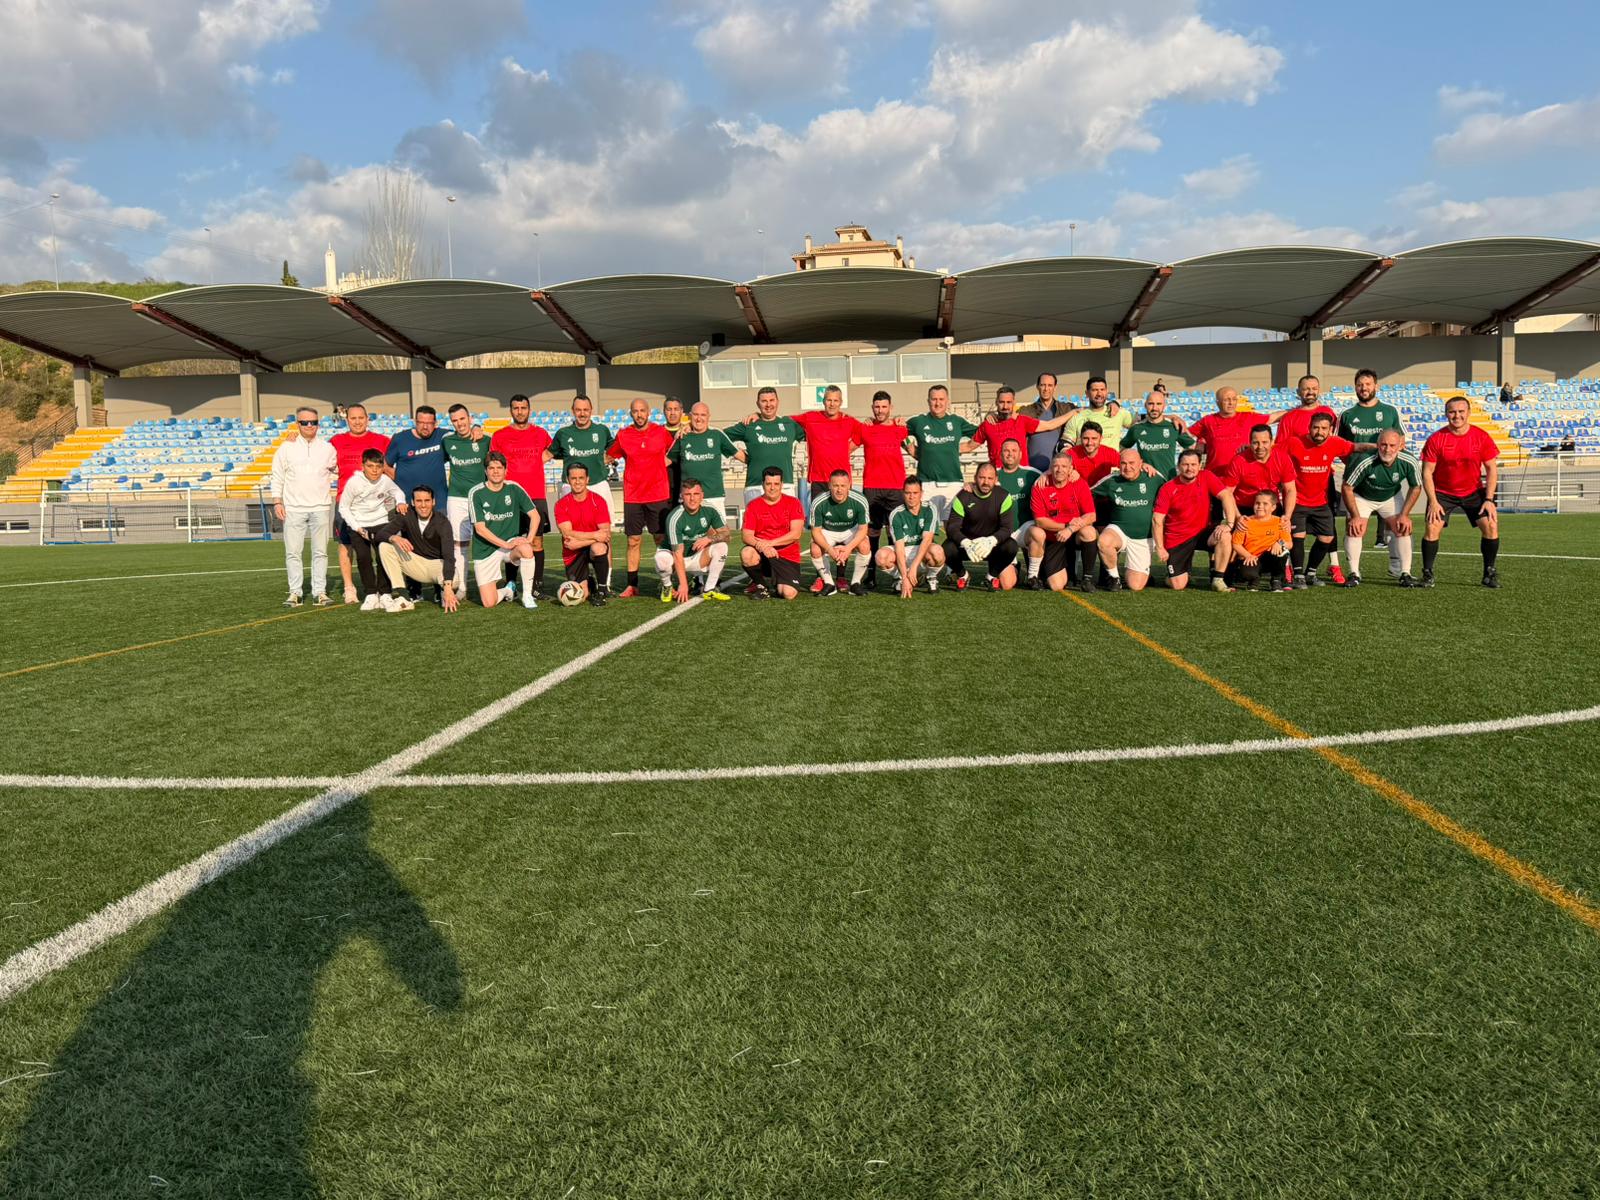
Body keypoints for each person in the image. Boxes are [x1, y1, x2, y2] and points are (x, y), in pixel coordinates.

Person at [1420, 396, 1502, 588]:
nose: (1456, 415)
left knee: (1490, 525)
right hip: (1442, 493)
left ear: (1468, 413)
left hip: (1473, 492)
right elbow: (1427, 472)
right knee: (1432, 528)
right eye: (1452, 412)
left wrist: (1489, 499)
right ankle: (1427, 574)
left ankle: (1489, 573)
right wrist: (1433, 501)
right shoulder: (1436, 439)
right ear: (1446, 414)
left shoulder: (1481, 437)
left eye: (1460, 411)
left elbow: (1491, 469)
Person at [606, 397, 676, 597]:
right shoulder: (623, 435)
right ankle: (632, 585)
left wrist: (658, 468)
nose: (639, 414)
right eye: (635, 411)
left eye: (642, 410)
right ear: (631, 414)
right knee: (633, 541)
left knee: (660, 539)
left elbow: (675, 452)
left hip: (657, 494)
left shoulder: (661, 432)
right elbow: (609, 456)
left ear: (649, 412)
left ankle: (667, 581)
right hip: (633, 496)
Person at [269, 405, 338, 607]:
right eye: (304, 422)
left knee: (321, 552)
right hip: (293, 508)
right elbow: (277, 476)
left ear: (318, 424)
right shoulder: (286, 447)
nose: (309, 426)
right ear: (297, 424)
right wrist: (277, 501)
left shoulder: (327, 448)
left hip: (321, 507)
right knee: (293, 552)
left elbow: (337, 470)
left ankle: (320, 592)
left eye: (313, 422)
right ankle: (295, 593)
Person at [1338, 367, 1404, 573]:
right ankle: (1353, 572)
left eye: (1367, 384)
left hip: (1387, 480)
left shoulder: (1390, 411)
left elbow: (1401, 440)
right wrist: (1355, 463)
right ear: (1355, 387)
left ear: (1376, 386)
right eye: (1359, 384)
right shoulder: (1347, 415)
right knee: (1354, 525)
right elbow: (1339, 445)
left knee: (1397, 525)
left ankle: (1395, 564)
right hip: (1357, 484)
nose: (1363, 388)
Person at [490, 394, 555, 598]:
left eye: (523, 408)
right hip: (510, 496)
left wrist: (537, 463)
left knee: (537, 543)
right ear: (511, 411)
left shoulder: (540, 433)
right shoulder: (500, 436)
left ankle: (537, 586)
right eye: (516, 408)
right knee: (512, 541)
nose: (520, 411)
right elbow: (493, 463)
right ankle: (511, 585)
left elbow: (553, 450)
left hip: (536, 496)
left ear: (529, 410)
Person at [1282, 412, 1356, 589]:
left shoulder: (1335, 443)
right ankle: (1298, 575)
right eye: (1316, 427)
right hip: (1297, 500)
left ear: (1330, 430)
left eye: (1324, 428)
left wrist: (1380, 446)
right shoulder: (1294, 442)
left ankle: (1310, 573)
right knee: (1297, 536)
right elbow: (1272, 449)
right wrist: (1246, 448)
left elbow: (1356, 447)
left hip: (1321, 502)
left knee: (1327, 537)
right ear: (1309, 428)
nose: (1319, 431)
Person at [1341, 428, 1422, 588]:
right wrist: (1355, 516)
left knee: (1402, 527)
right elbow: (1347, 487)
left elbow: (1416, 487)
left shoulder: (1409, 461)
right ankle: (1354, 573)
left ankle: (1405, 573)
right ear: (1377, 445)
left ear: (1400, 446)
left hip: (1390, 497)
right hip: (1362, 497)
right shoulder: (1364, 460)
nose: (1387, 449)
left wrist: (1405, 515)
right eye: (1383, 445)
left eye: (1392, 445)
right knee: (1356, 528)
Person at [328, 402, 389, 605]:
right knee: (346, 545)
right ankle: (349, 588)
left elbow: (392, 467)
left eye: (361, 418)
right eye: (353, 418)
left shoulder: (382, 441)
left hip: (376, 505)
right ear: (347, 420)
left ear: (367, 419)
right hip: (346, 503)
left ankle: (383, 587)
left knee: (380, 546)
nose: (357, 421)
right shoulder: (336, 441)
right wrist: (294, 439)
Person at [1153, 449, 1236, 591]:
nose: (1189, 468)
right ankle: (1176, 574)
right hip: (1178, 538)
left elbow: (1226, 496)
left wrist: (1229, 523)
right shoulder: (1168, 488)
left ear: (1200, 465)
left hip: (1202, 532)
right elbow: (1157, 520)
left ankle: (1218, 579)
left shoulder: (1206, 476)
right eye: (1185, 464)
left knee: (1225, 535)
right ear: (1178, 466)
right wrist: (1160, 547)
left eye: (1193, 464)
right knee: (1178, 585)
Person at [467, 451, 540, 610]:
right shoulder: (476, 492)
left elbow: (535, 516)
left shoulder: (514, 488)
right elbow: (480, 529)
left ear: (506, 470)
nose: (495, 471)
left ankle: (527, 595)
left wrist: (528, 538)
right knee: (489, 603)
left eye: (499, 467)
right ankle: (508, 590)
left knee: (527, 549)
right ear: (485, 471)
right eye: (491, 468)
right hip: (485, 549)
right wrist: (505, 545)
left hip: (510, 544)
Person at [337, 449, 408, 610]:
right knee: (363, 557)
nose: (374, 470)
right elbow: (344, 508)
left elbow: (398, 492)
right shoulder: (354, 482)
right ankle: (370, 593)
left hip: (381, 522)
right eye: (370, 466)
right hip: (358, 524)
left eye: (378, 466)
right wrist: (357, 528)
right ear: (363, 466)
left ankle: (385, 593)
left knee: (384, 555)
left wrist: (400, 502)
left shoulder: (385, 480)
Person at [857, 389, 911, 589]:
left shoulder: (900, 428)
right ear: (872, 408)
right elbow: (848, 446)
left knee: (894, 531)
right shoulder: (865, 428)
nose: (880, 410)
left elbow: (912, 447)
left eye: (884, 407)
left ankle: (898, 574)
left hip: (896, 487)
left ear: (891, 408)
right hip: (872, 487)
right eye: (877, 407)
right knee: (872, 531)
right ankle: (870, 574)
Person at [377, 484, 461, 613]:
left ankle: (443, 590)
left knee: (454, 580)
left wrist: (448, 587)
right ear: (412, 502)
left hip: (436, 566)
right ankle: (404, 597)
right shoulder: (406, 515)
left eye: (427, 500)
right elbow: (380, 535)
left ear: (433, 502)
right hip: (415, 564)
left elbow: (449, 556)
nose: (423, 505)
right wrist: (394, 537)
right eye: (419, 501)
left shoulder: (442, 522)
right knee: (384, 546)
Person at [904, 384, 980, 521]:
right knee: (924, 526)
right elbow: (897, 432)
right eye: (934, 399)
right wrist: (909, 447)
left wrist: (966, 447)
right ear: (928, 401)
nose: (937, 403)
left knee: (953, 527)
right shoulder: (918, 421)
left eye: (941, 399)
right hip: (926, 483)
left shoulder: (957, 422)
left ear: (948, 401)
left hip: (953, 483)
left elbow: (982, 433)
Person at [1025, 452, 1096, 591]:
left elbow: (1091, 516)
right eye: (1056, 466)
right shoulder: (1040, 486)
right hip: (1054, 537)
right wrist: (1065, 526)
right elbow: (1039, 521)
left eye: (1064, 466)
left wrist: (1070, 529)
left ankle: (1087, 579)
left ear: (1071, 469)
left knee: (1089, 531)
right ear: (1050, 468)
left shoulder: (1080, 484)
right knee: (1056, 586)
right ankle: (1050, 571)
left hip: (1073, 534)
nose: (1060, 470)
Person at [442, 403, 492, 599]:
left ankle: (487, 583)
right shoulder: (447, 442)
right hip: (456, 498)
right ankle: (462, 586)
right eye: (455, 420)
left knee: (485, 541)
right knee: (459, 544)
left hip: (480, 497)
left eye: (462, 419)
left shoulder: (486, 440)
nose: (459, 423)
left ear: (470, 418)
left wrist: (478, 427)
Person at [725, 386, 806, 507]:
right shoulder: (749, 424)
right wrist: (737, 454)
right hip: (755, 486)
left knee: (785, 525)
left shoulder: (789, 424)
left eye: (772, 400)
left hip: (785, 486)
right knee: (755, 526)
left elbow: (814, 435)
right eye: (764, 401)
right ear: (758, 403)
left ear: (778, 402)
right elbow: (720, 437)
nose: (768, 405)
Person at [1093, 448, 1160, 592]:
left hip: (1143, 537)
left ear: (1141, 463)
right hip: (1119, 530)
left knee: (1135, 586)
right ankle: (1114, 578)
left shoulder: (1154, 478)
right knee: (1104, 541)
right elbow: (1085, 493)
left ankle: (1135, 573)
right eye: (1123, 463)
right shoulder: (1111, 481)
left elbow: (1172, 492)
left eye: (1132, 463)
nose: (1127, 467)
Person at [946, 462, 1020, 591]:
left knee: (1011, 546)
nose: (986, 482)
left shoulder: (1004, 496)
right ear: (975, 478)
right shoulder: (962, 496)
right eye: (982, 477)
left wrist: (990, 541)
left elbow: (1007, 528)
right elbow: (952, 527)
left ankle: (991, 576)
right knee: (947, 548)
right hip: (968, 546)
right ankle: (963, 575)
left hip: (992, 547)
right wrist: (966, 543)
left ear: (996, 480)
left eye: (990, 478)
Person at [655, 478, 731, 603]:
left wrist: (708, 538)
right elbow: (677, 553)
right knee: (661, 560)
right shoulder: (675, 517)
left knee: (722, 546)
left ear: (702, 495)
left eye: (696, 494)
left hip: (696, 557)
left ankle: (709, 589)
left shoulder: (710, 509)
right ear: (681, 497)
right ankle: (667, 586)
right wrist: (683, 584)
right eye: (687, 494)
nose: (692, 498)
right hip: (675, 560)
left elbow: (726, 533)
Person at [740, 465, 805, 600]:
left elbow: (796, 534)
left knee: (788, 594)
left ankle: (780, 582)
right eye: (768, 483)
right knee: (747, 553)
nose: (772, 487)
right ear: (763, 484)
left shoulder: (793, 503)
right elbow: (747, 536)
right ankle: (762, 586)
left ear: (781, 484)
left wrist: (769, 544)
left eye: (776, 484)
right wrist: (764, 547)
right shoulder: (753, 505)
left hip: (787, 556)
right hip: (763, 554)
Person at [667, 401, 743, 517]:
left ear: (709, 417)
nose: (699, 419)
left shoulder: (717, 435)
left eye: (703, 415)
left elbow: (740, 456)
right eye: (696, 415)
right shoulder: (683, 437)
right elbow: (665, 461)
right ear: (690, 416)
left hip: (714, 497)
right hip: (689, 497)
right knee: (691, 534)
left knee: (720, 534)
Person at [553, 462, 612, 606]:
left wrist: (579, 542)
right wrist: (594, 536)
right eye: (574, 478)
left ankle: (602, 590)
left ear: (587, 479)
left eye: (581, 478)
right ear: (568, 480)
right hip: (572, 554)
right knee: (581, 595)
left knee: (599, 548)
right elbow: (567, 533)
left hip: (583, 546)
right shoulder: (561, 504)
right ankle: (590, 584)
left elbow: (604, 535)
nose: (577, 482)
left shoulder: (598, 501)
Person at [876, 475, 944, 597]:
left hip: (922, 550)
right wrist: (904, 576)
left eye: (915, 493)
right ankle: (899, 578)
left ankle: (931, 577)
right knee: (881, 557)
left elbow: (927, 540)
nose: (911, 497)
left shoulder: (930, 509)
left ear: (921, 493)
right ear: (903, 493)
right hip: (904, 551)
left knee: (937, 552)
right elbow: (899, 548)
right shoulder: (896, 514)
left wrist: (913, 567)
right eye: (908, 493)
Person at [791, 385, 863, 499]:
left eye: (835, 400)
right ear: (824, 401)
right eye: (829, 400)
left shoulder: (849, 421)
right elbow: (785, 420)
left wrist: (849, 448)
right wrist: (758, 415)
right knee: (818, 515)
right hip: (818, 479)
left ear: (841, 402)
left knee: (842, 516)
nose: (832, 404)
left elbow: (866, 432)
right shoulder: (811, 418)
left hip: (841, 480)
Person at [807, 469, 872, 596]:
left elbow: (863, 529)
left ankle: (855, 584)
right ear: (829, 485)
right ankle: (829, 584)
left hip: (850, 530)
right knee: (815, 548)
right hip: (828, 531)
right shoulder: (819, 502)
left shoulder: (860, 500)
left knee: (864, 545)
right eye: (835, 485)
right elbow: (816, 532)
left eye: (843, 485)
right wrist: (830, 550)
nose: (839, 489)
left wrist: (848, 548)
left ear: (849, 485)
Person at [973, 385, 1071, 468]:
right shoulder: (987, 425)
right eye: (1002, 402)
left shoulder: (1021, 421)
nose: (1005, 406)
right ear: (996, 403)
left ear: (1014, 403)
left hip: (1021, 478)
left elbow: (1050, 425)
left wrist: (1072, 413)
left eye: (1008, 402)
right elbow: (969, 445)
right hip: (997, 479)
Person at [551, 394, 614, 515]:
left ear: (591, 410)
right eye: (578, 410)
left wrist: (609, 458)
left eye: (586, 410)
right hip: (570, 486)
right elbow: (548, 454)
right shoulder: (563, 433)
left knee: (604, 529)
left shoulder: (602, 430)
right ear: (572, 411)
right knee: (569, 528)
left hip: (598, 484)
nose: (582, 413)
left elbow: (615, 448)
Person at [383, 405, 447, 517]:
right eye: (421, 422)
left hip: (438, 504)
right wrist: (401, 479)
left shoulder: (443, 436)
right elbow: (385, 465)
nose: (425, 427)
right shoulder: (400, 438)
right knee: (407, 534)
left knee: (439, 534)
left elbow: (463, 434)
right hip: (408, 504)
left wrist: (475, 427)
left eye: (429, 423)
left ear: (435, 423)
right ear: (415, 421)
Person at [1121, 390, 1195, 480]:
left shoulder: (1173, 426)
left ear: (1164, 406)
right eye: (1151, 404)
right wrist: (1139, 464)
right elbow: (1121, 449)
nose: (1154, 407)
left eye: (1159, 404)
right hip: (1146, 481)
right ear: (1145, 405)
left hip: (1169, 481)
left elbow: (1193, 447)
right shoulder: (1137, 428)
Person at [1229, 492, 1293, 592]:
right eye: (1257, 503)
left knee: (1283, 551)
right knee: (1247, 574)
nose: (1260, 506)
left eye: (1265, 504)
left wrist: (1279, 543)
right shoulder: (1245, 522)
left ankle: (1276, 580)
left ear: (1273, 507)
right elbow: (1236, 544)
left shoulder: (1280, 522)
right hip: (1251, 558)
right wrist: (1247, 555)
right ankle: (1254, 580)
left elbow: (1289, 544)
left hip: (1270, 557)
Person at [1189, 386, 1258, 470]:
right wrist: (1171, 417)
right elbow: (1185, 433)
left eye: (1234, 399)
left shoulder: (1248, 417)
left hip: (1242, 474)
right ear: (1217, 402)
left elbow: (1274, 417)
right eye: (1226, 400)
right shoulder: (1207, 421)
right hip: (1215, 475)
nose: (1231, 403)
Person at [996, 437, 1042, 561]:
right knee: (1008, 581)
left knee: (1038, 533)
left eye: (1014, 450)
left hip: (1026, 530)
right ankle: (1014, 567)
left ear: (1021, 454)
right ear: (1000, 454)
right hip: (1003, 533)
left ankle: (1033, 575)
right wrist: (970, 485)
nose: (1010, 454)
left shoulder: (1033, 474)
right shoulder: (993, 476)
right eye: (1006, 451)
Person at [1019, 372, 1074, 471]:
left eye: (1050, 385)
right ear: (1037, 386)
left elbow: (1090, 411)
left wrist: (1111, 404)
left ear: (1055, 387)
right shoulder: (1026, 411)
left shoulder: (1066, 408)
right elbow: (1007, 418)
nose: (1046, 389)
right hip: (1032, 472)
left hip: (1059, 472)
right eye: (1043, 385)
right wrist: (991, 415)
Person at [1063, 375, 1132, 443]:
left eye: (1102, 389)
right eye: (1094, 390)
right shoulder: (1076, 418)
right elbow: (1066, 443)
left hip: (1111, 454)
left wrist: (1124, 448)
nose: (1099, 394)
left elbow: (1138, 429)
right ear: (1087, 393)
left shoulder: (1118, 413)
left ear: (1107, 392)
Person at [1066, 422, 1121, 487]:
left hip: (1103, 493)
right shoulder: (1071, 454)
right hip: (1081, 493)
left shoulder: (1110, 453)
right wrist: (1068, 473)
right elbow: (1056, 471)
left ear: (1101, 438)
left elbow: (1127, 466)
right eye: (1085, 438)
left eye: (1094, 438)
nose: (1089, 443)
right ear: (1080, 438)